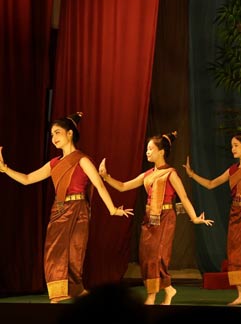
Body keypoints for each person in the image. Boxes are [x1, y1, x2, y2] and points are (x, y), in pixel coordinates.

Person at [0, 112, 133, 303]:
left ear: (70, 134)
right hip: (59, 210)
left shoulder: (82, 160)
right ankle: (59, 295)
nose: (53, 138)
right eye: (52, 134)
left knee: (74, 252)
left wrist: (112, 209)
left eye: (57, 133)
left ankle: (75, 290)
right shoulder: (54, 163)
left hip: (78, 209)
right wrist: (5, 170)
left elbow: (99, 185)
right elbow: (28, 179)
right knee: (54, 252)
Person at [99, 131, 213, 305]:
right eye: (147, 149)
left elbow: (184, 197)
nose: (147, 152)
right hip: (149, 219)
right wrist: (106, 177)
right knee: (146, 258)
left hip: (165, 217)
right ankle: (168, 290)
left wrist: (195, 218)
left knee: (157, 257)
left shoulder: (170, 173)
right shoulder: (148, 174)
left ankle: (152, 296)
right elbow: (122, 186)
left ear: (161, 152)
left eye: (151, 149)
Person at [184, 128, 241, 305]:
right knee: (235, 253)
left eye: (236, 146)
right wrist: (192, 175)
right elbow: (212, 184)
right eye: (232, 146)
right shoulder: (232, 170)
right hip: (235, 214)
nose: (233, 149)